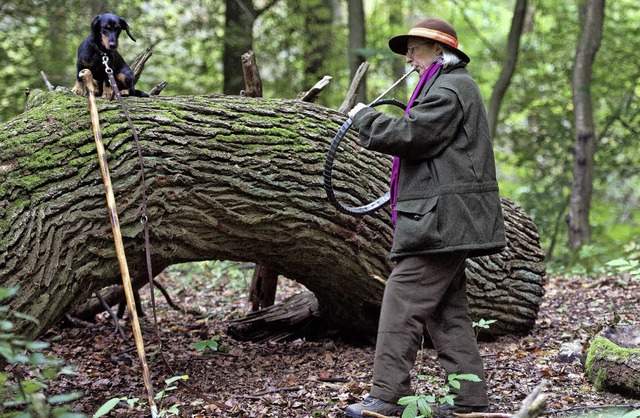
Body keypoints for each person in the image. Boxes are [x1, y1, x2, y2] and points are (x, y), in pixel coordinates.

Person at [344, 17, 507, 418]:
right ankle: (470, 403)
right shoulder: (444, 84)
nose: (409, 58)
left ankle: (386, 397)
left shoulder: (451, 86)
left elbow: (414, 136)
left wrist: (364, 118)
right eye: (408, 51)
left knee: (401, 299)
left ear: (439, 50)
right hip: (445, 219)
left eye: (415, 49)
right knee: (447, 312)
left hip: (443, 220)